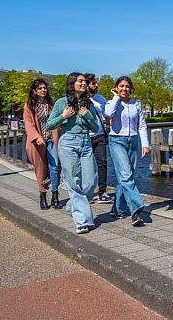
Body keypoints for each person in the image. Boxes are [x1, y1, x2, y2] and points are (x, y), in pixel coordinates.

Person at [46, 73, 99, 234]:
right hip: (68, 142)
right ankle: (82, 221)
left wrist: (87, 115)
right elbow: (49, 124)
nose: (84, 84)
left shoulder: (87, 103)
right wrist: (64, 116)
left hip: (86, 142)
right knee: (73, 181)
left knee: (91, 180)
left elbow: (96, 128)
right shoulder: (62, 102)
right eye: (80, 81)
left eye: (84, 81)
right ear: (72, 83)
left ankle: (72, 205)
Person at [104, 76, 150, 227]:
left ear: (131, 89)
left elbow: (142, 125)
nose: (124, 89)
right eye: (121, 86)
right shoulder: (112, 103)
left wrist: (145, 144)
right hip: (117, 140)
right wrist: (115, 97)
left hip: (133, 141)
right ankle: (136, 208)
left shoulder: (136, 104)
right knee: (125, 175)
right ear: (116, 88)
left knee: (126, 177)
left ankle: (117, 209)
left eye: (127, 86)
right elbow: (108, 114)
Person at [23, 78, 61, 210]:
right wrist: (36, 137)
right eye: (40, 88)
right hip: (38, 142)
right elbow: (28, 123)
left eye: (44, 88)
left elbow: (57, 119)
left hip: (51, 139)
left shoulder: (51, 103)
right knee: (40, 169)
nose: (43, 90)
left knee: (54, 166)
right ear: (34, 90)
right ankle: (43, 195)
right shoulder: (29, 105)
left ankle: (55, 196)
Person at [84, 73, 113, 205]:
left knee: (102, 163)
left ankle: (102, 193)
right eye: (93, 83)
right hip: (86, 136)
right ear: (87, 85)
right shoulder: (80, 99)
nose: (96, 85)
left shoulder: (100, 98)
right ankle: (87, 193)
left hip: (100, 135)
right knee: (86, 166)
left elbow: (107, 116)